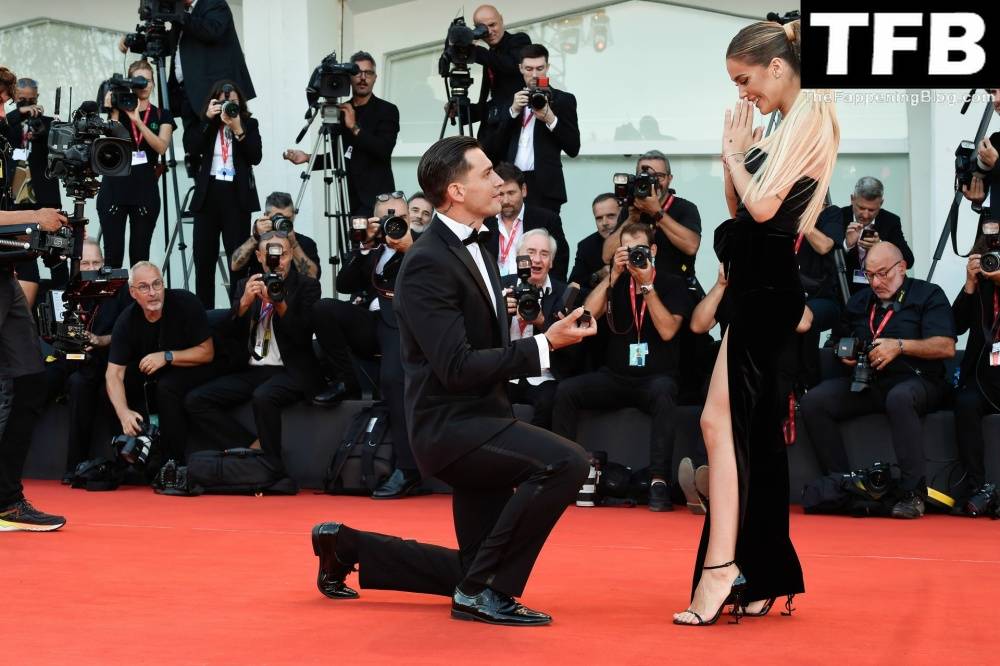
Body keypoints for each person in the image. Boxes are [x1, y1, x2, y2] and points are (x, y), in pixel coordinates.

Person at [309, 136, 596, 626]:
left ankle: (347, 546)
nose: (499, 182)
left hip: (483, 418)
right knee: (567, 463)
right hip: (451, 428)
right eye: (487, 174)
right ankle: (484, 594)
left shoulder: (476, 246)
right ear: (457, 191)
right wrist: (545, 345)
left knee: (473, 565)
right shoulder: (426, 263)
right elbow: (457, 366)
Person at [673, 20, 839, 626]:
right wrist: (734, 159)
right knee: (732, 428)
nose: (742, 92)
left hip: (768, 292)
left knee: (734, 431)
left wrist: (734, 156)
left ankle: (725, 568)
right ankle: (762, 571)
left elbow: (765, 209)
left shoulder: (813, 115)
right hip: (755, 289)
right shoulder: (780, 123)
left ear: (775, 66)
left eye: (744, 79)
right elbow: (740, 205)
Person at [800, 242, 956, 519]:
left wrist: (900, 346)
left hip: (920, 380)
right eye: (870, 275)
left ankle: (912, 493)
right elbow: (837, 340)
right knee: (814, 401)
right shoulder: (860, 301)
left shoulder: (927, 294)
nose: (876, 282)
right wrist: (843, 353)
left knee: (899, 398)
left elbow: (945, 347)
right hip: (868, 380)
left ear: (902, 267)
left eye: (883, 274)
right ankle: (842, 484)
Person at [553, 221, 694, 511]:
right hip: (615, 377)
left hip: (656, 379)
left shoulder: (672, 283)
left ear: (653, 250)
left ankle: (658, 480)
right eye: (627, 251)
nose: (634, 256)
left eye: (640, 250)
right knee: (566, 391)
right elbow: (586, 316)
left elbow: (668, 330)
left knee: (666, 393)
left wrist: (647, 286)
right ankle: (565, 472)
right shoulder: (615, 283)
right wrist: (612, 276)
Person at [312, 192, 423, 499]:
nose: (390, 224)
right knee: (323, 308)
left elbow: (429, 275)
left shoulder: (420, 244)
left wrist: (406, 244)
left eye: (397, 218)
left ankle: (409, 469)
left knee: (392, 379)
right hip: (369, 322)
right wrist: (365, 245)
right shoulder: (371, 247)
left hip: (400, 324)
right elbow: (344, 285)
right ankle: (345, 380)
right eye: (384, 218)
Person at [185, 233, 323, 475]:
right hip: (252, 368)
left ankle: (274, 469)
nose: (276, 261)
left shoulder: (307, 286)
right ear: (259, 257)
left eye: (282, 254)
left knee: (264, 396)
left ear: (290, 253)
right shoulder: (246, 284)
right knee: (196, 400)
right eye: (270, 255)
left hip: (290, 369)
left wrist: (279, 304)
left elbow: (302, 336)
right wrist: (243, 305)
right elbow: (226, 333)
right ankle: (250, 447)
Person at [0, 65, 67, 530]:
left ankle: (7, 500)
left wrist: (36, 222)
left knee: (30, 379)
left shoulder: (5, 146)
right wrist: (32, 217)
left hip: (5, 273)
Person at [106, 262, 216, 465]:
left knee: (166, 386)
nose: (153, 292)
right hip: (156, 375)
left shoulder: (185, 302)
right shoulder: (127, 319)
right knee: (116, 386)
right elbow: (113, 374)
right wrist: (124, 413)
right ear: (133, 292)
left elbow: (207, 353)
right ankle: (122, 461)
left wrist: (166, 356)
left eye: (157, 284)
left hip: (198, 367)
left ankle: (173, 463)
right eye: (144, 287)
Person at [44, 241, 133, 482]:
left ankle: (124, 464)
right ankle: (74, 467)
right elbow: (54, 336)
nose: (92, 268)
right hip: (78, 363)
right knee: (76, 382)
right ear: (75, 266)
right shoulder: (64, 293)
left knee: (99, 385)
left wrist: (101, 340)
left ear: (104, 264)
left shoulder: (120, 289)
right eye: (85, 263)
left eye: (97, 263)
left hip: (115, 360)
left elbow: (132, 332)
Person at [283, 52, 399, 217]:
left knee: (375, 244)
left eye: (368, 73)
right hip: (346, 199)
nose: (363, 77)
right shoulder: (340, 110)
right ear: (349, 77)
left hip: (377, 201)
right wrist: (308, 157)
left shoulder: (387, 110)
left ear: (375, 78)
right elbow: (340, 157)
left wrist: (354, 128)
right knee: (345, 243)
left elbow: (383, 150)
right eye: (357, 72)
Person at [185, 79, 262, 308]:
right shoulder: (206, 124)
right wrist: (208, 119)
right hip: (208, 197)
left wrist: (238, 127)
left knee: (237, 261)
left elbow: (255, 156)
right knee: (204, 261)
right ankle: (204, 318)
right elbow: (193, 147)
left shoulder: (250, 123)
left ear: (241, 103)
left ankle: (238, 315)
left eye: (233, 102)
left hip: (236, 198)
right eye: (223, 102)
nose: (228, 106)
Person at [98, 60, 176, 269]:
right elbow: (109, 148)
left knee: (140, 258)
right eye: (140, 81)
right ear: (131, 83)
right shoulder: (118, 111)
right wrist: (113, 112)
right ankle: (112, 302)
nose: (145, 86)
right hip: (114, 188)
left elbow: (161, 147)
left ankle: (137, 301)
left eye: (148, 81)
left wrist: (138, 120)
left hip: (144, 191)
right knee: (113, 257)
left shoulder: (161, 115)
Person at [488, 44, 579, 214]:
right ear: (520, 68)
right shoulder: (511, 100)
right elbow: (493, 148)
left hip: (545, 184)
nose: (535, 75)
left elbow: (573, 148)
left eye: (540, 68)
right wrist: (512, 111)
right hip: (511, 182)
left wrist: (551, 119)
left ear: (548, 67)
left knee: (546, 237)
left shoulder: (563, 100)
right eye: (529, 68)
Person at [502, 229, 575, 430]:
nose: (536, 259)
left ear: (551, 262)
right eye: (531, 252)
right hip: (504, 372)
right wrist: (501, 313)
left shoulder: (564, 294)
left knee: (550, 401)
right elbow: (481, 335)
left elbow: (573, 350)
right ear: (518, 258)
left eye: (544, 254)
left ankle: (536, 457)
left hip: (544, 375)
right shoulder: (500, 286)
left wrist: (542, 321)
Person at [1, 75, 62, 307]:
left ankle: (60, 315)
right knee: (24, 263)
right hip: (15, 206)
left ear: (37, 98)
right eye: (21, 100)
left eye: (31, 100)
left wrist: (42, 127)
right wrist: (21, 115)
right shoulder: (7, 123)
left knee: (57, 262)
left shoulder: (47, 123)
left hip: (43, 203)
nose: (26, 103)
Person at [951, 226, 1000, 513]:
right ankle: (976, 486)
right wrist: (970, 284)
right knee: (964, 403)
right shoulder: (980, 285)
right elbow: (954, 327)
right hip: (983, 378)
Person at [601, 151, 703, 284]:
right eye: (646, 177)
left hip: (676, 288)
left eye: (659, 176)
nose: (652, 182)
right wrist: (631, 219)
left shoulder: (685, 208)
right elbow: (606, 256)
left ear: (670, 178)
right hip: (637, 287)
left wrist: (657, 213)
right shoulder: (631, 208)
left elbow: (691, 246)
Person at [158, 0, 256, 134]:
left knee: (220, 146)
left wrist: (177, 14)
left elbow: (212, 30)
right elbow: (168, 45)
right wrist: (134, 43)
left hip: (214, 92)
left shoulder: (214, 3)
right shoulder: (183, 13)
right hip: (187, 92)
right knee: (193, 147)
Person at [466, 5, 531, 163]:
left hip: (513, 132)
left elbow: (510, 65)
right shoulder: (490, 56)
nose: (489, 31)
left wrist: (474, 50)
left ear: (501, 20)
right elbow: (488, 104)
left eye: (493, 25)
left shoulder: (519, 40)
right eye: (483, 28)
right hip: (491, 137)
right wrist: (463, 110)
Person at [482, 162, 569, 280]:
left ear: (523, 190)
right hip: (495, 291)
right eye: (501, 194)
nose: (506, 200)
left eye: (511, 193)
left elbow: (559, 261)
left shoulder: (546, 220)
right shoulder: (484, 222)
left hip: (534, 289)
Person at [834, 177, 915, 296]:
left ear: (881, 203)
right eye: (861, 208)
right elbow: (824, 263)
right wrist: (847, 245)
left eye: (872, 210)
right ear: (852, 199)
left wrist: (882, 247)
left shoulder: (891, 221)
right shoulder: (838, 217)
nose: (865, 215)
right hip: (845, 289)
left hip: (882, 289)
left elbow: (908, 260)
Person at [229, 191, 321, 287]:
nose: (283, 222)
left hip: (295, 296)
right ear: (266, 216)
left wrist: (294, 244)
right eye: (278, 218)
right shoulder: (256, 241)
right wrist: (255, 237)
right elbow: (235, 266)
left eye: (287, 218)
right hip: (261, 294)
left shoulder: (305, 243)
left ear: (293, 215)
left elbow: (313, 278)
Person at [959, 88, 999, 212]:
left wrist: (996, 163)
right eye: (993, 92)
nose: (997, 100)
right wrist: (980, 200)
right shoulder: (995, 141)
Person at [569, 193, 619, 293]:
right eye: (599, 218)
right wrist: (597, 276)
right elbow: (573, 287)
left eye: (611, 216)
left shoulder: (638, 238)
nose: (604, 223)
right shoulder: (586, 246)